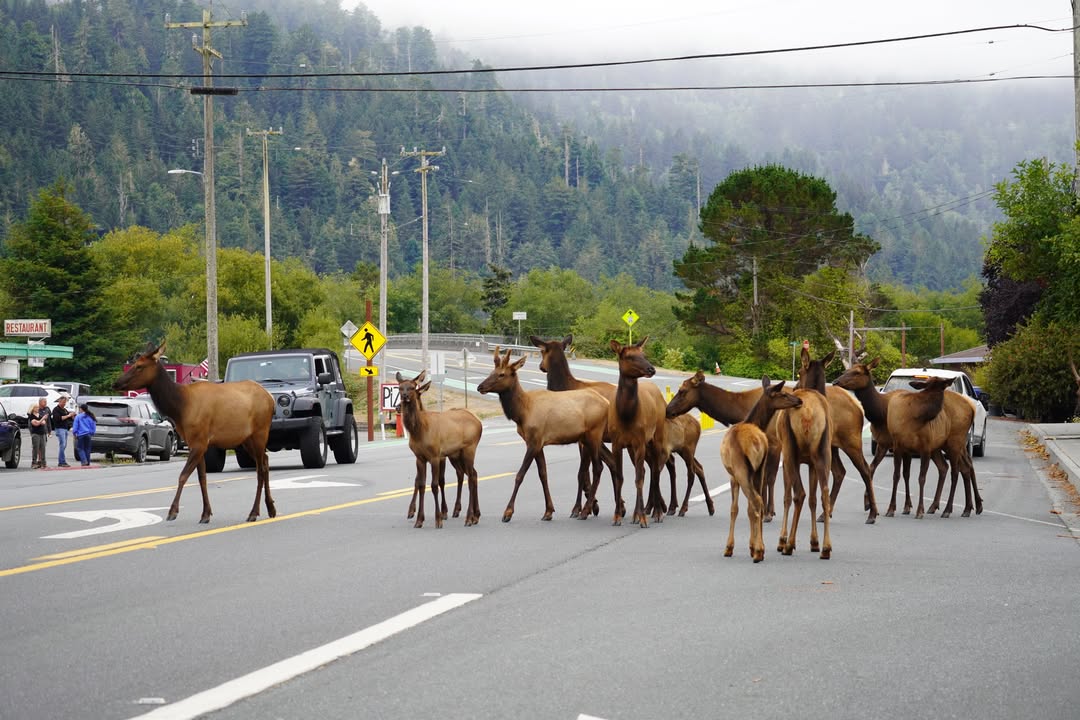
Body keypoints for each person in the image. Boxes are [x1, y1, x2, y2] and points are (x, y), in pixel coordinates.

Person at [51, 395, 76, 467]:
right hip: (59, 428)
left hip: (65, 429)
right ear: (59, 401)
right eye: (63, 402)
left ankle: (61, 461)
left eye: (65, 402)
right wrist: (68, 416)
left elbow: (69, 418)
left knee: (64, 445)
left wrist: (72, 415)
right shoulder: (56, 409)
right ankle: (62, 461)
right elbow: (58, 418)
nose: (64, 404)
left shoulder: (65, 410)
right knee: (63, 444)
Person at [28, 397, 51, 469]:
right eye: (36, 407)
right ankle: (34, 463)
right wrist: (42, 419)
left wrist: (41, 421)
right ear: (33, 408)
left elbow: (43, 423)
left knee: (43, 448)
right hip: (36, 434)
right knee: (36, 448)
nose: (38, 409)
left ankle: (43, 463)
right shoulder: (31, 416)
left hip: (42, 433)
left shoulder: (39, 415)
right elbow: (36, 423)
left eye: (38, 407)